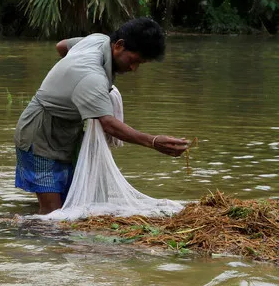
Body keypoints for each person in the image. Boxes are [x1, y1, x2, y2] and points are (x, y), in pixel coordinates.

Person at [14, 17, 189, 214]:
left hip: (66, 133)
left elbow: (62, 46)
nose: (133, 69)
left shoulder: (97, 39)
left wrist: (68, 78)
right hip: (39, 136)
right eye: (133, 61)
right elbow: (109, 124)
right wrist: (153, 141)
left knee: (71, 202)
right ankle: (8, 225)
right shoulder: (92, 77)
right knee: (52, 213)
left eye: (140, 64)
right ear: (119, 45)